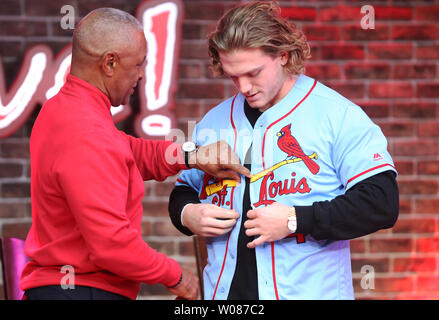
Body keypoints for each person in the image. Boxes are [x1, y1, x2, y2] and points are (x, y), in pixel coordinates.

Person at [169, 1, 399, 300]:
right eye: (233, 76)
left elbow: (381, 203)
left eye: (253, 73)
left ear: (283, 55)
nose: (244, 87)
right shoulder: (214, 121)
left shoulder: (336, 114)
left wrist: (295, 220)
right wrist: (189, 214)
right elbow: (183, 191)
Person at [20, 8, 250, 300]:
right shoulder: (85, 129)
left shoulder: (65, 109)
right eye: (139, 64)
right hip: (82, 292)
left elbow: (130, 151)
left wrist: (193, 154)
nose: (142, 75)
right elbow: (111, 244)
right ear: (110, 63)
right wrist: (178, 278)